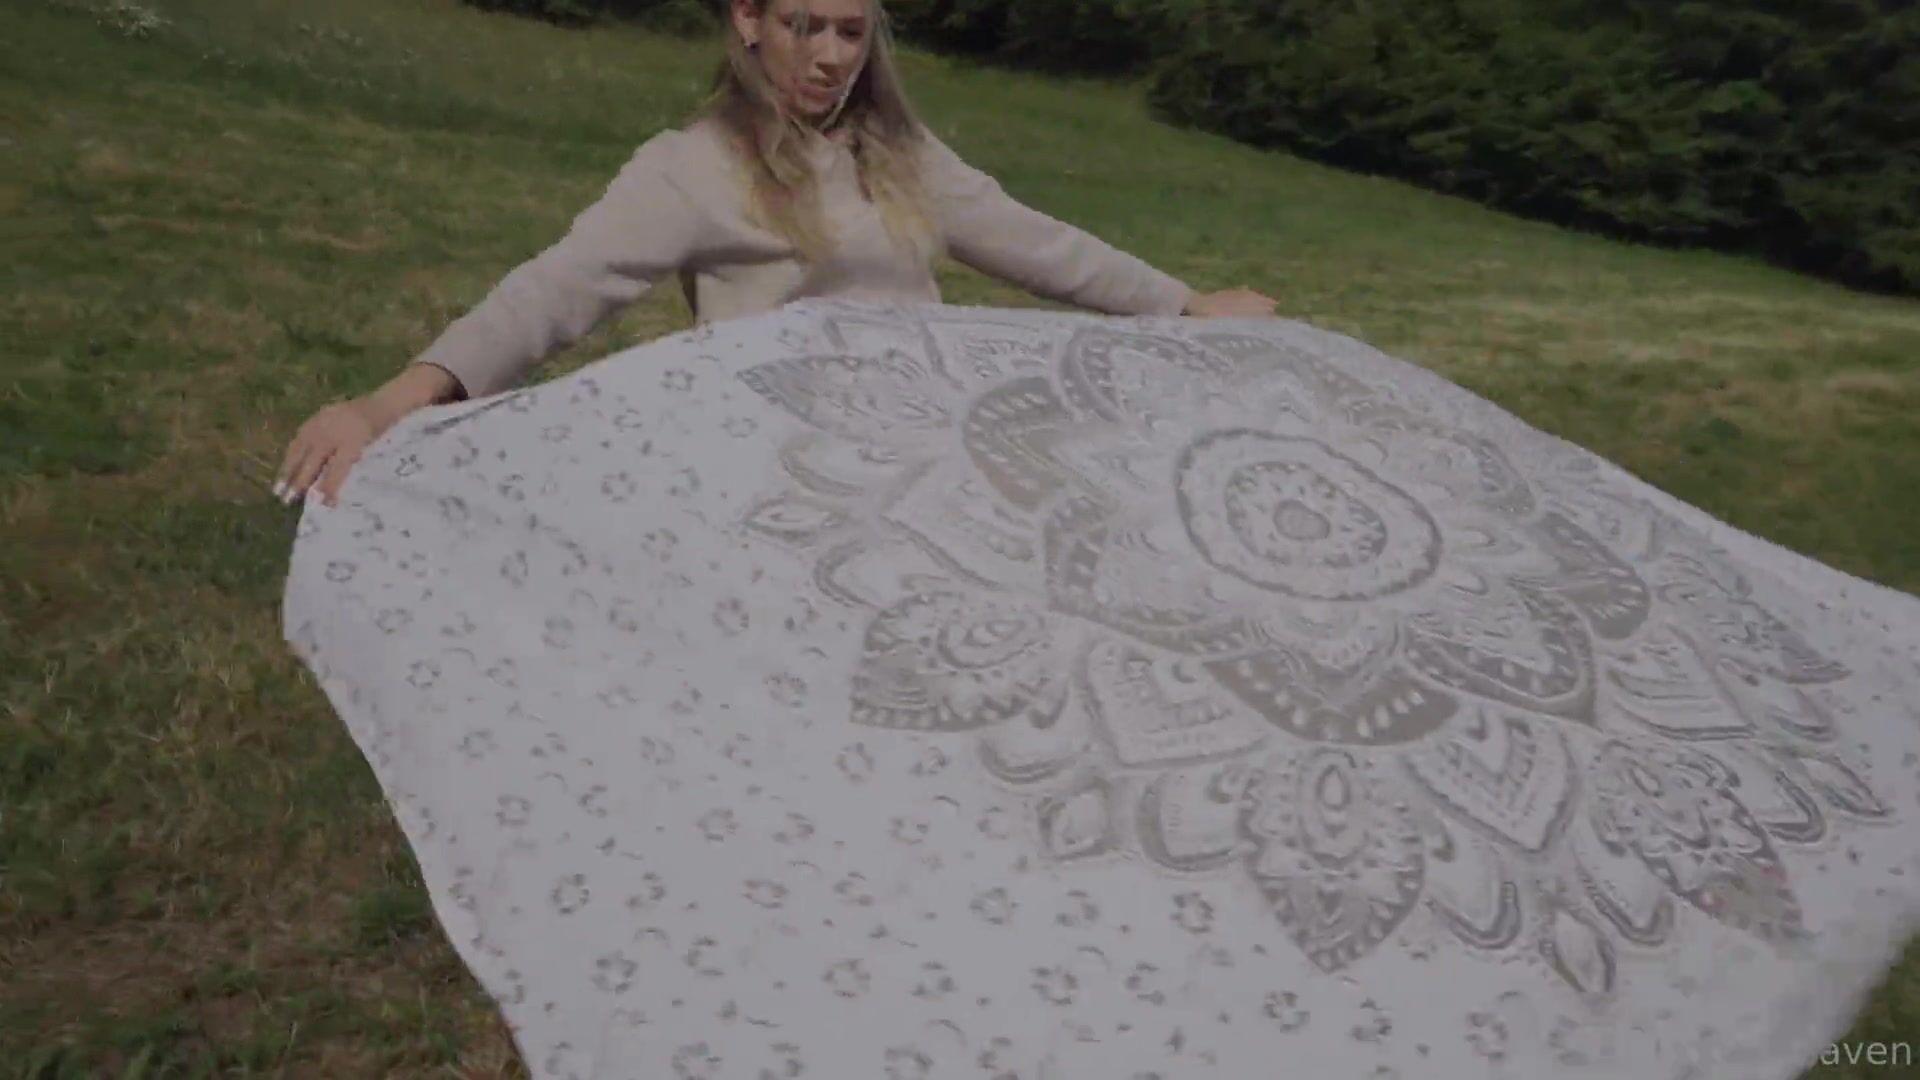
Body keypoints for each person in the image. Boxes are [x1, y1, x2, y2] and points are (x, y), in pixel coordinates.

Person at [273, 0, 1277, 507]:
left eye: (851, 30)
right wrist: (386, 406)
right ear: (749, 21)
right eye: (805, 25)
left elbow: (1036, 242)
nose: (832, 55)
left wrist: (1184, 306)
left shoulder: (899, 152)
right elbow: (552, 294)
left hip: (932, 459)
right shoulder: (694, 168)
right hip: (786, 480)